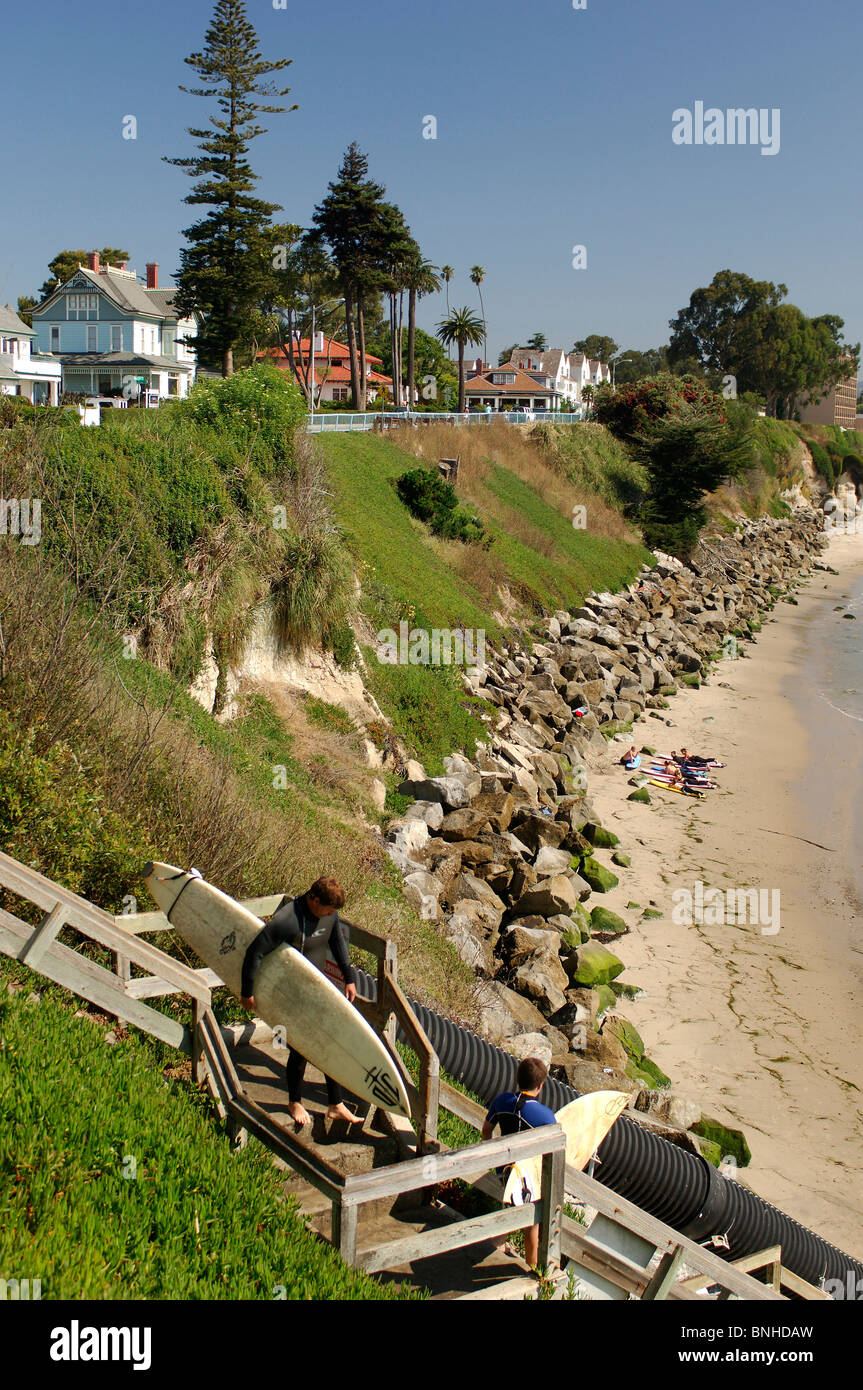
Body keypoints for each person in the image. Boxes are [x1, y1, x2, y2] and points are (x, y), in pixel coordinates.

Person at [240, 876, 362, 1128]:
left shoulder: (328, 912)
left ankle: (335, 1104)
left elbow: (336, 942)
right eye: (328, 909)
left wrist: (349, 978)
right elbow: (255, 951)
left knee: (328, 1040)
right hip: (289, 990)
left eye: (333, 912)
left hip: (315, 988)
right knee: (301, 1046)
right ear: (314, 899)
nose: (330, 914)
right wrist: (247, 991)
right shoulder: (287, 920)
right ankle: (295, 1101)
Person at [481, 1057, 556, 1269]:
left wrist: (492, 1156)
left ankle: (497, 1244)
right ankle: (533, 1266)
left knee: (508, 1205)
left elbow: (487, 1130)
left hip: (504, 1169)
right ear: (541, 1086)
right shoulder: (546, 1117)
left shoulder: (502, 1101)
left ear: (517, 1079)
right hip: (528, 1177)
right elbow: (553, 1151)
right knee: (532, 1221)